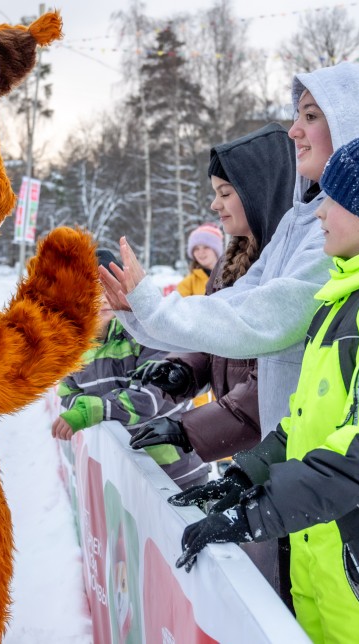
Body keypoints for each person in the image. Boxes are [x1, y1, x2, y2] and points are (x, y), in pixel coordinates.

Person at [174, 134, 359, 643]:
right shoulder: (350, 297)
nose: (319, 213)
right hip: (330, 551)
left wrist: (254, 515)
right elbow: (308, 421)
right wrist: (246, 477)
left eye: (333, 200)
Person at [100, 60, 359, 439]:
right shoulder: (299, 221)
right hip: (292, 450)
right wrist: (143, 316)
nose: (294, 130)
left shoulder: (350, 232)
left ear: (356, 127)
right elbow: (239, 300)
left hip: (329, 456)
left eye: (311, 116)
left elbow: (269, 316)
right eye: (297, 115)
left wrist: (155, 311)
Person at [127, 122, 296, 601]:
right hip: (248, 457)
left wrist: (189, 430)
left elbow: (269, 389)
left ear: (259, 192)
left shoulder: (287, 271)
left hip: (283, 459)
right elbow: (216, 330)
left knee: (279, 592)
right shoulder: (233, 258)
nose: (214, 205)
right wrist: (185, 368)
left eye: (225, 193)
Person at [52, 249, 210, 490]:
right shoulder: (73, 347)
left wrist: (93, 409)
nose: (101, 298)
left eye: (107, 288)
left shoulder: (145, 332)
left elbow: (150, 397)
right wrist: (87, 407)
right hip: (126, 474)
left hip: (177, 470)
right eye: (90, 291)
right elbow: (66, 391)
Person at [175, 223, 224, 296]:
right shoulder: (188, 283)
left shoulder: (231, 276)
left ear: (216, 250)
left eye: (206, 247)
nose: (201, 252)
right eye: (196, 248)